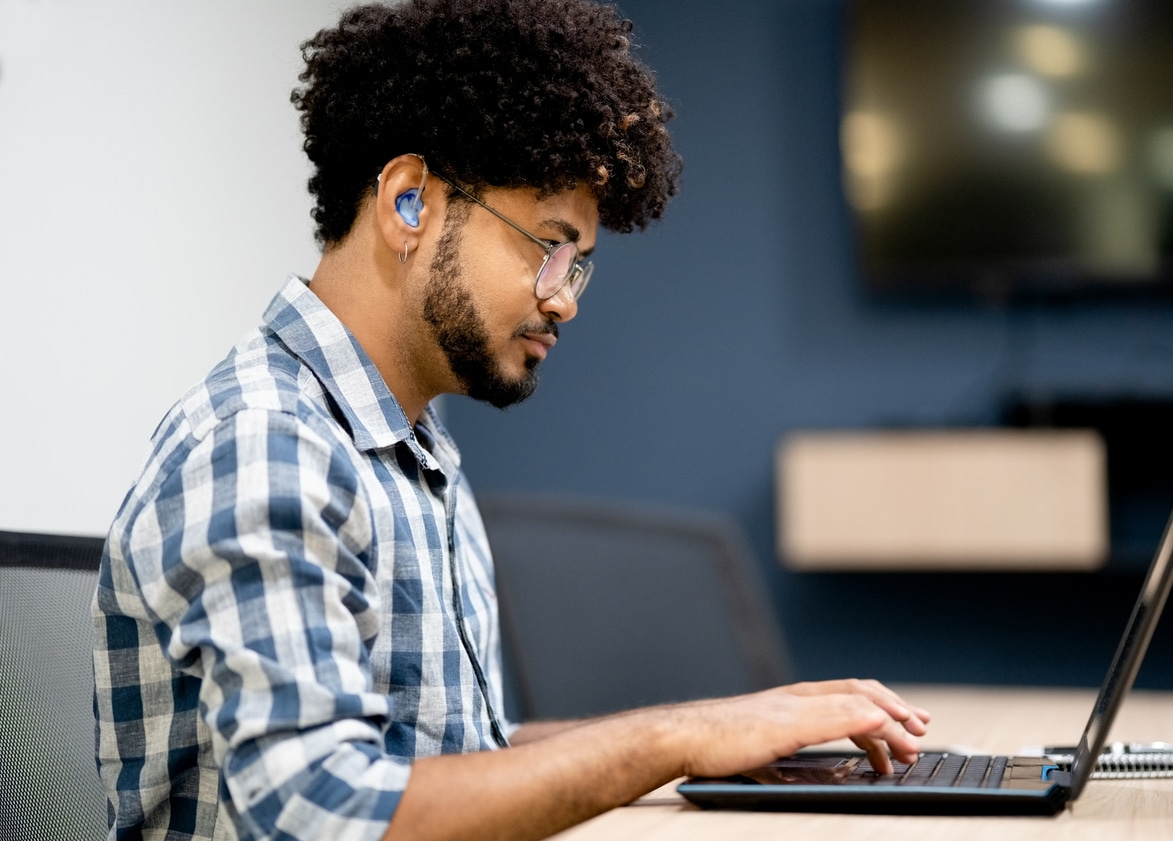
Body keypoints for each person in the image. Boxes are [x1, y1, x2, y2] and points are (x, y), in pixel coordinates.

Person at [92, 1, 931, 839]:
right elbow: (327, 812)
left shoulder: (412, 451)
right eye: (548, 246)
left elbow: (464, 756)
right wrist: (678, 735)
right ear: (409, 201)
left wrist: (714, 732)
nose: (564, 298)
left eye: (580, 265)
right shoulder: (265, 444)